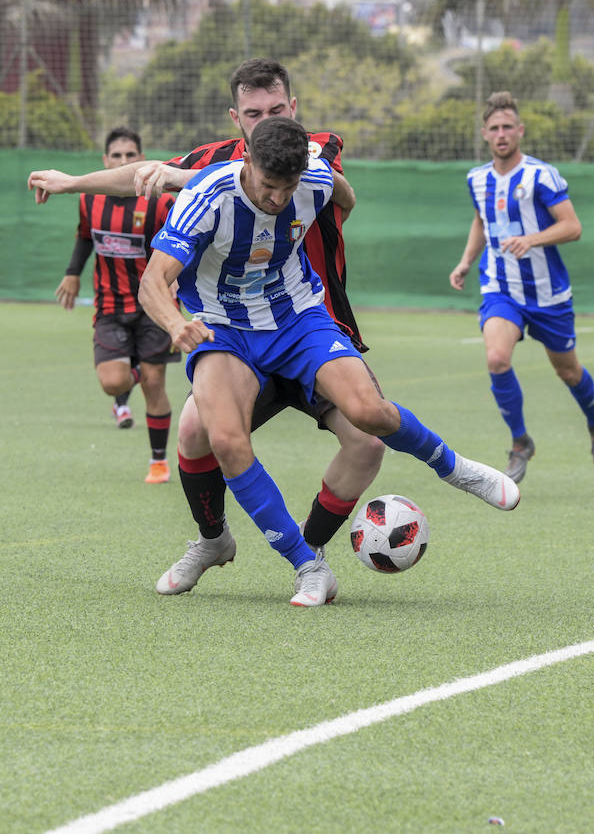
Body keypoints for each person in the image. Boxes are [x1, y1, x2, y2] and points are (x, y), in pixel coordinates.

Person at [29, 58, 385, 603]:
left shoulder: (314, 149)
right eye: (252, 112)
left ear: (293, 108)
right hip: (240, 336)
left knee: (367, 441)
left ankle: (306, 556)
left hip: (311, 326)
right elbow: (140, 175)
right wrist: (72, 182)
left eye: (275, 109)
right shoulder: (213, 162)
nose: (265, 119)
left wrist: (180, 177)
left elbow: (312, 186)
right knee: (195, 431)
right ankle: (212, 539)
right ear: (235, 116)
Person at [139, 115, 520, 608]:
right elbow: (153, 281)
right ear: (248, 161)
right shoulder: (207, 198)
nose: (278, 199)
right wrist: (175, 324)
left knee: (370, 413)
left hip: (297, 317)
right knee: (226, 441)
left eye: (288, 187)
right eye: (269, 186)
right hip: (224, 328)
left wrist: (320, 184)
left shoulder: (312, 178)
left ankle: (458, 469)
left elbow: (346, 197)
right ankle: (307, 566)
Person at [449, 91, 594, 483]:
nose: (502, 133)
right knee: (496, 359)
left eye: (508, 127)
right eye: (494, 128)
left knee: (569, 371)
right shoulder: (477, 179)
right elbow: (481, 221)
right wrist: (466, 261)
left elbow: (572, 227)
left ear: (520, 131)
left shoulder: (542, 175)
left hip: (548, 294)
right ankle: (520, 442)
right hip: (500, 288)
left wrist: (532, 239)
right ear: (485, 135)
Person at [50, 126, 181, 483]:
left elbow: (180, 245)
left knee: (155, 382)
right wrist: (73, 273)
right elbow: (83, 236)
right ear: (106, 161)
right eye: (117, 156)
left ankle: (158, 461)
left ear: (142, 159)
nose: (124, 160)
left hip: (154, 304)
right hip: (109, 304)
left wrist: (180, 280)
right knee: (113, 381)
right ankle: (128, 378)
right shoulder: (89, 199)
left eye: (130, 155)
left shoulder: (161, 201)